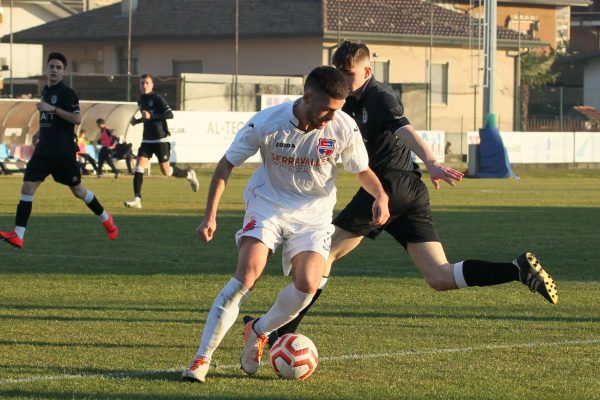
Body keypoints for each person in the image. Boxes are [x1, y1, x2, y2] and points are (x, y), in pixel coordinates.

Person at [255, 40, 559, 346]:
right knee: (440, 276)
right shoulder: (342, 101)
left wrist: (432, 162)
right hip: (411, 191)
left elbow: (405, 130)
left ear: (367, 71)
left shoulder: (380, 97)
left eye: (349, 74)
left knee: (323, 255)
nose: (342, 80)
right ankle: (516, 270)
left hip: (389, 187)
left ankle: (278, 331)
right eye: (338, 74)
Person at [180, 65, 390, 383]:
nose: (330, 118)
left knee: (308, 284)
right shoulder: (268, 122)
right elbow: (226, 165)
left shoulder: (343, 127)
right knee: (247, 275)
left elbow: (361, 169)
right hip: (268, 205)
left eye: (337, 110)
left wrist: (380, 196)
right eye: (326, 110)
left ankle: (260, 330)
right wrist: (210, 215)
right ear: (307, 97)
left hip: (314, 215)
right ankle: (201, 359)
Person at [0, 52, 118, 249]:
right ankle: (18, 235)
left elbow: (76, 119)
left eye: (58, 67)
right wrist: (39, 132)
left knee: (78, 191)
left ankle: (106, 219)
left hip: (62, 152)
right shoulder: (46, 91)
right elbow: (49, 119)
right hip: (43, 151)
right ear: (47, 69)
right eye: (51, 66)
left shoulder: (67, 93)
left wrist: (52, 109)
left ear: (64, 71)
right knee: (27, 187)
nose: (54, 70)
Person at [123, 74, 199, 209]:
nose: (144, 85)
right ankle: (137, 200)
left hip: (160, 139)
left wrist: (151, 116)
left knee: (166, 171)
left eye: (146, 83)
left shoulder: (157, 98)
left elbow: (169, 114)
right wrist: (138, 121)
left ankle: (189, 174)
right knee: (139, 168)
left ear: (152, 85)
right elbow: (147, 118)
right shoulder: (140, 100)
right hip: (146, 140)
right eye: (142, 83)